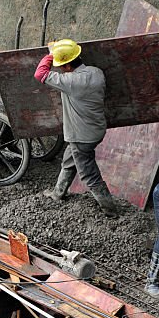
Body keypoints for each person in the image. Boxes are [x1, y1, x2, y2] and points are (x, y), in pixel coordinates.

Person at [34, 39, 117, 216]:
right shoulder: (97, 73)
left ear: (67, 66)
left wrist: (50, 54)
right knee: (69, 159)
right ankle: (58, 193)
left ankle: (110, 210)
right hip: (95, 129)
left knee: (89, 174)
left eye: (60, 66)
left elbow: (40, 73)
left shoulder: (71, 82)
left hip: (82, 136)